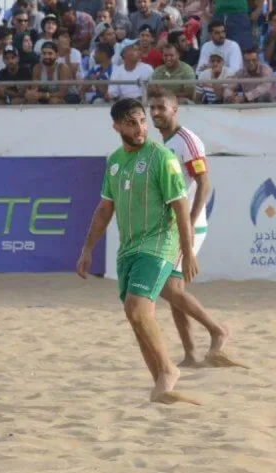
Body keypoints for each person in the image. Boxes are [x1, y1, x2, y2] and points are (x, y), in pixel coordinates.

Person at [77, 98, 199, 404]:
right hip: (129, 247)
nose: (141, 128)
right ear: (116, 126)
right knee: (136, 318)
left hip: (159, 242)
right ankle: (161, 386)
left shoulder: (162, 157)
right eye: (132, 123)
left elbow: (181, 206)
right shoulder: (115, 161)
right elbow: (105, 208)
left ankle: (169, 370)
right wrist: (87, 248)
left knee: (137, 309)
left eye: (142, 121)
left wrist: (188, 249)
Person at [149, 89, 237, 368]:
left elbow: (204, 184)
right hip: (172, 226)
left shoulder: (187, 140)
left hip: (188, 226)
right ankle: (189, 355)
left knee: (167, 287)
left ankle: (217, 330)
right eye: (152, 108)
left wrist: (188, 221)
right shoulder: (161, 144)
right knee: (174, 289)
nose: (155, 113)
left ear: (175, 110)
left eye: (161, 107)